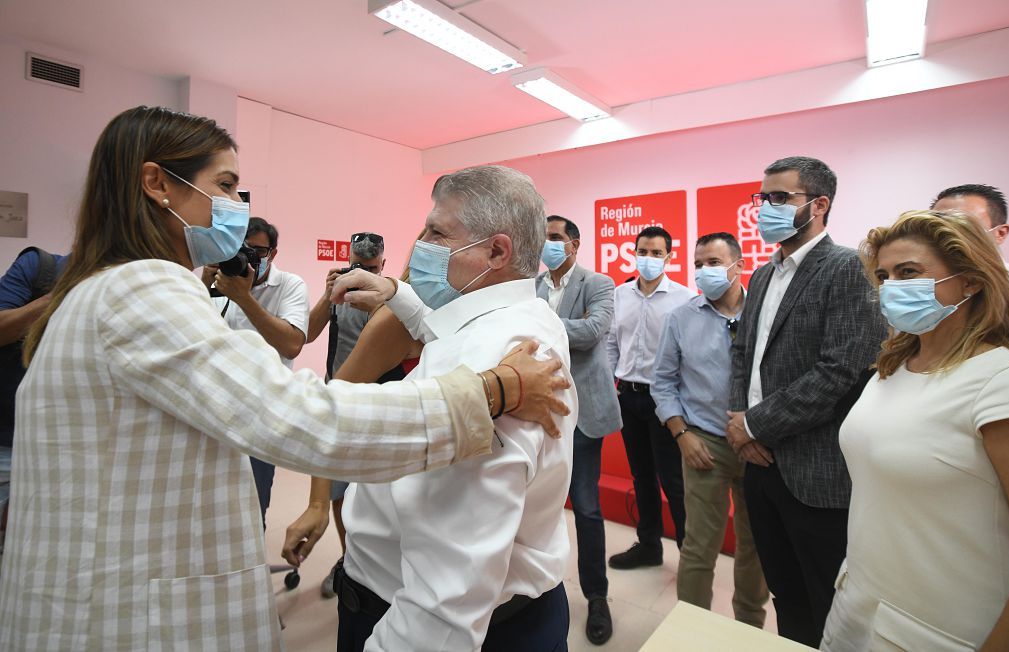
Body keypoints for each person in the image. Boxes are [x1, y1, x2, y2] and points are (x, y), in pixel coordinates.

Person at [0, 106, 570, 651]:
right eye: (224, 186)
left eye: (436, 235)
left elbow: (455, 582)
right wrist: (493, 390)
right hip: (122, 612)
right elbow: (301, 417)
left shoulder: (105, 287)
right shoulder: (142, 287)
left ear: (496, 250)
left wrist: (401, 298)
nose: (236, 206)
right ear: (157, 184)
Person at [327, 165, 578, 652]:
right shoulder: (522, 316)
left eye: (437, 232)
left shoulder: (489, 356)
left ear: (496, 251)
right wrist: (399, 295)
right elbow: (448, 332)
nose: (418, 243)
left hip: (413, 614)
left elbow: (445, 603)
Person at [821, 210, 1009, 651]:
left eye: (908, 272)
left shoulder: (1005, 380)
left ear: (970, 281)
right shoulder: (891, 369)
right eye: (884, 276)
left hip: (941, 631)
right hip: (856, 607)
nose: (892, 286)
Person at [725, 156, 886, 647]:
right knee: (786, 596)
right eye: (762, 198)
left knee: (827, 603)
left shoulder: (847, 270)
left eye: (779, 198)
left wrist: (755, 426)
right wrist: (739, 424)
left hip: (815, 473)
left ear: (818, 205)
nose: (765, 208)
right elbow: (741, 355)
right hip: (759, 466)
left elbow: (840, 370)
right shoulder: (762, 276)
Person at [652, 232, 768, 627]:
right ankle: (691, 629)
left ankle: (748, 626)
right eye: (698, 264)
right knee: (699, 546)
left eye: (714, 263)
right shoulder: (681, 318)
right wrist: (682, 435)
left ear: (739, 265)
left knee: (756, 545)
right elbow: (663, 383)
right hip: (705, 445)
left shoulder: (765, 315)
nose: (704, 271)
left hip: (759, 446)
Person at [301, 231, 407, 598]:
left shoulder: (392, 303)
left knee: (380, 497)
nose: (362, 274)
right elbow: (307, 335)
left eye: (371, 268)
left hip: (381, 407)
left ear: (383, 267)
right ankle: (349, 562)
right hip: (341, 403)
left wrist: (380, 298)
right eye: (356, 267)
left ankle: (381, 567)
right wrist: (327, 295)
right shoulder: (338, 293)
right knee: (339, 493)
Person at [536, 214, 619, 645]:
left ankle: (597, 596)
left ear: (574, 244)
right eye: (543, 237)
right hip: (538, 409)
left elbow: (591, 332)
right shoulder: (531, 287)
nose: (547, 245)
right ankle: (534, 591)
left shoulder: (597, 283)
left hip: (583, 412)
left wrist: (539, 323)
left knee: (586, 507)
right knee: (536, 504)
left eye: (554, 238)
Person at [202, 216, 309, 529]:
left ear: (273, 253)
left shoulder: (289, 285)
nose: (248, 257)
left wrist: (244, 298)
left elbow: (292, 344)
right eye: (241, 249)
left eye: (258, 252)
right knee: (209, 505)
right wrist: (201, 287)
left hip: (262, 414)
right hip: (214, 411)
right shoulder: (218, 281)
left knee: (251, 506)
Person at [606, 226, 694, 569]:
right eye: (643, 251)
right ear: (634, 252)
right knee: (641, 476)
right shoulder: (620, 294)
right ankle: (649, 545)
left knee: (673, 479)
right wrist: (611, 386)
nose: (649, 258)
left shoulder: (684, 298)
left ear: (669, 257)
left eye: (657, 253)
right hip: (628, 396)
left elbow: (688, 355)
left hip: (664, 401)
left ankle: (690, 552)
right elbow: (613, 343)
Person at [0, 247, 67, 555]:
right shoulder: (40, 268)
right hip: (5, 438)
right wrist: (53, 300)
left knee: (40, 548)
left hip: (59, 448)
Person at [930, 183, 1009, 307]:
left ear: (1000, 233)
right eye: (937, 226)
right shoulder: (917, 286)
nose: (948, 235)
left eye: (965, 226)